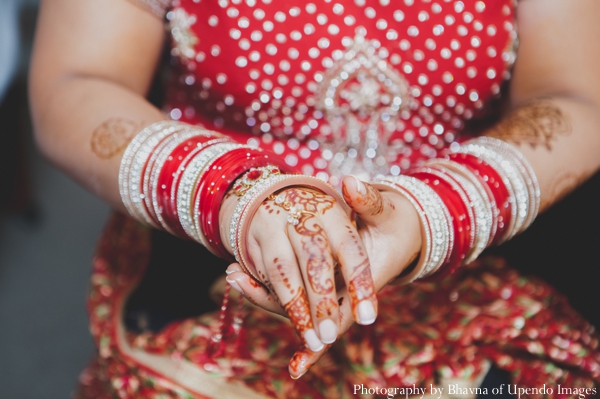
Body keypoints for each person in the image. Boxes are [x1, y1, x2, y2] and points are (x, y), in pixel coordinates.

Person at [29, 0, 600, 397]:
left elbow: (572, 97)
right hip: (213, 242)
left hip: (463, 240)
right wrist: (240, 193)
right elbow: (77, 80)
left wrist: (430, 212)